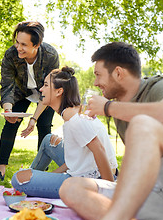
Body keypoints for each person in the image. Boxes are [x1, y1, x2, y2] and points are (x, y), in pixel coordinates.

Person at [59, 42, 163, 220]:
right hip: (160, 192)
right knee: (71, 188)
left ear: (118, 73)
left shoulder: (158, 86)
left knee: (142, 124)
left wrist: (108, 107)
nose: (95, 82)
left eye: (98, 75)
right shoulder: (119, 107)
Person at [11, 67, 118, 199]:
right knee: (48, 140)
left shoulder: (74, 119)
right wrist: (50, 178)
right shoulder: (71, 112)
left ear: (59, 91)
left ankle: (33, 181)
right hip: (87, 168)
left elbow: (99, 150)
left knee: (18, 179)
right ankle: (36, 177)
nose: (40, 89)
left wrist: (110, 191)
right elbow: (76, 159)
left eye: (45, 85)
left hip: (92, 180)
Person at [0, 21, 60, 182]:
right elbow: (7, 85)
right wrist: (8, 110)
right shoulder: (11, 54)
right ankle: (0, 170)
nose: (18, 47)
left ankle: (40, 171)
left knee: (44, 126)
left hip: (45, 92)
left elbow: (50, 89)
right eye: (17, 42)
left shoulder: (51, 55)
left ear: (36, 45)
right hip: (21, 92)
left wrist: (33, 118)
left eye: (23, 44)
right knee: (10, 123)